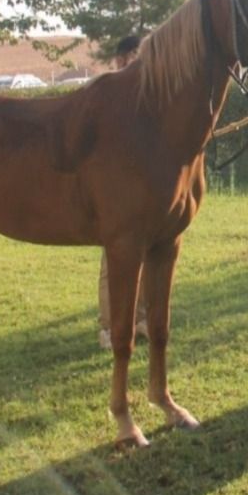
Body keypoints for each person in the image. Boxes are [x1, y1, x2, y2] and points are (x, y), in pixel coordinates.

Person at [98, 34, 148, 350]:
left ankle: (139, 319)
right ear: (120, 59)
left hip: (144, 188)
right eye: (131, 54)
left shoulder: (150, 93)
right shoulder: (108, 92)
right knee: (112, 259)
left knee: (144, 257)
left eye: (140, 54)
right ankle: (108, 326)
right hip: (114, 189)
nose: (136, 60)